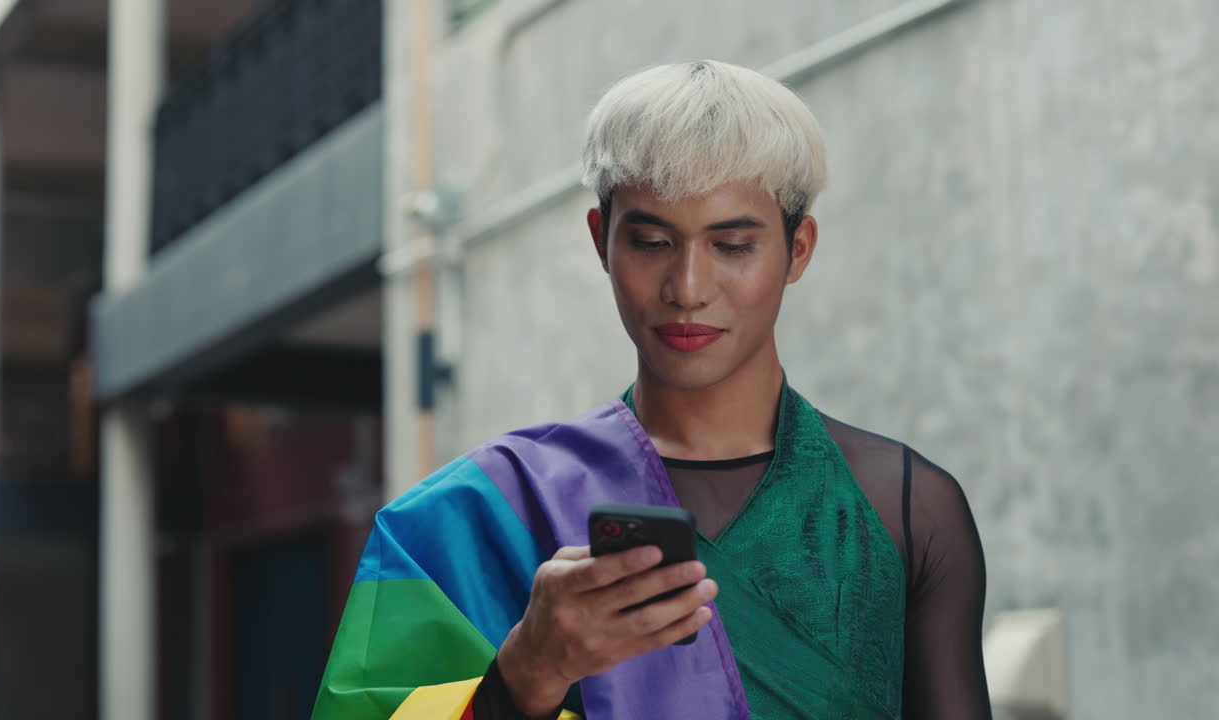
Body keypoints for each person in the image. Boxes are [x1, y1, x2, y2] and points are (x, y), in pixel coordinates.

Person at [311, 60, 991, 720]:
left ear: (799, 249)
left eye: (732, 245)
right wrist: (525, 674)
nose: (688, 289)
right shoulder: (481, 511)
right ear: (601, 240)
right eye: (652, 241)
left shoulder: (907, 508)